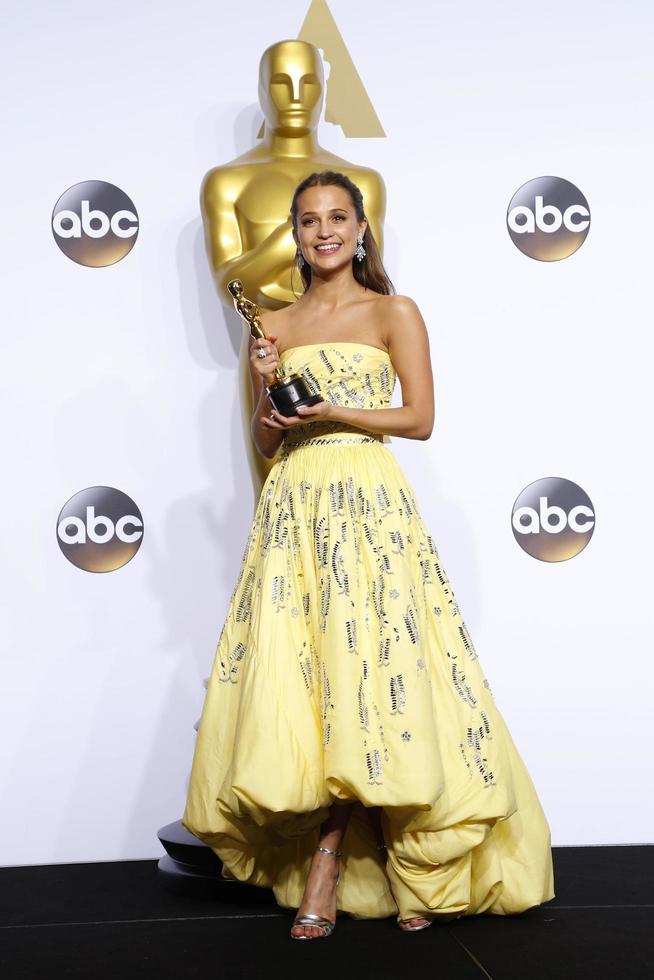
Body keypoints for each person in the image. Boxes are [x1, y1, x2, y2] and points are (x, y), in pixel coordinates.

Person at [181, 170, 555, 940]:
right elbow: (266, 439)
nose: (325, 231)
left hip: (369, 499)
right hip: (295, 506)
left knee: (374, 676)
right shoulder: (274, 323)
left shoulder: (394, 311)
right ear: (295, 231)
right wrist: (263, 394)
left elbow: (418, 419)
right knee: (312, 686)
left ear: (361, 228)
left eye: (338, 217)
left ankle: (400, 858)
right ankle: (330, 860)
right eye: (310, 219)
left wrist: (333, 407)